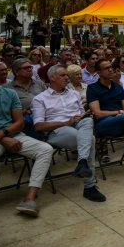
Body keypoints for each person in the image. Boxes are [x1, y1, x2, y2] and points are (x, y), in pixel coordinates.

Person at [0, 58, 53, 216]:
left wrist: (5, 134)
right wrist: (3, 139)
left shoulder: (9, 93)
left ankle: (30, 197)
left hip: (13, 134)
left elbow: (19, 122)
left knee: (45, 149)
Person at [31, 65, 106, 202]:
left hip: (79, 126)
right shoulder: (40, 99)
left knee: (87, 122)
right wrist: (66, 123)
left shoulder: (74, 94)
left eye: (67, 75)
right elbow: (38, 126)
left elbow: (81, 114)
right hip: (56, 131)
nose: (67, 78)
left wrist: (82, 116)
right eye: (63, 75)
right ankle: (89, 186)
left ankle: (82, 162)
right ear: (52, 78)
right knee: (91, 140)